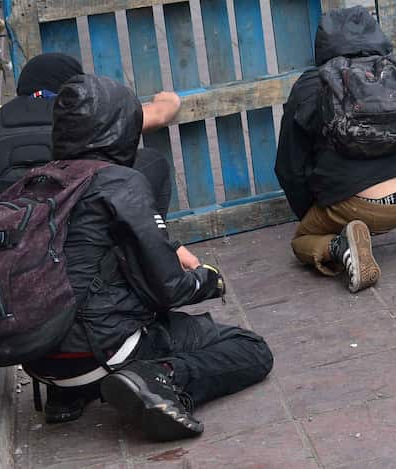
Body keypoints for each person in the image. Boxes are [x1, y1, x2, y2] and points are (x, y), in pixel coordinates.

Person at [21, 74, 273, 440]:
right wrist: (207, 280)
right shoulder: (120, 183)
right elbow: (168, 288)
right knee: (251, 350)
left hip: (38, 359)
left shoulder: (37, 182)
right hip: (100, 350)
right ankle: (161, 377)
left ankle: (67, 396)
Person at [275, 7, 396, 293]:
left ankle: (339, 245)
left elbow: (290, 168)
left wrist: (318, 213)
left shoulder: (310, 85)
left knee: (301, 241)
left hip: (364, 206)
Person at [0, 53, 183, 221]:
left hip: (3, 220)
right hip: (70, 216)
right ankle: (147, 242)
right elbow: (154, 115)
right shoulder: (79, 113)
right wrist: (169, 100)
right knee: (152, 162)